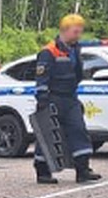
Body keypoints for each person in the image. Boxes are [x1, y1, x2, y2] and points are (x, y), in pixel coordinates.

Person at [34, 14, 100, 184]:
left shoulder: (75, 49)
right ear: (65, 30)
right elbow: (41, 79)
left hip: (70, 99)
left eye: (80, 32)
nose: (78, 35)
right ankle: (43, 172)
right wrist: (42, 101)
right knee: (48, 135)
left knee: (79, 131)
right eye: (76, 32)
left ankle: (83, 170)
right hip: (52, 99)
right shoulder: (48, 52)